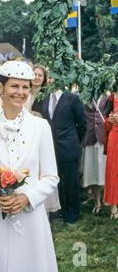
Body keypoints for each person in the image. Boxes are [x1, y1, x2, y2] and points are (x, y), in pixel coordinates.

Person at [0, 60, 59, 272]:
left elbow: (51, 176)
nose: (21, 92)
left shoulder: (41, 127)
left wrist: (28, 198)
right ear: (1, 88)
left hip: (30, 216)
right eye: (14, 86)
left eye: (25, 87)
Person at [41, 77, 86, 224]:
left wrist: (74, 141)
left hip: (68, 147)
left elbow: (82, 124)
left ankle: (72, 214)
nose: (51, 81)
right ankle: (60, 210)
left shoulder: (72, 98)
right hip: (50, 148)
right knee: (56, 181)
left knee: (71, 181)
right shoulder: (45, 98)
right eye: (49, 78)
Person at [25, 65, 60, 215]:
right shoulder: (25, 92)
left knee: (43, 167)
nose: (37, 77)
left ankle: (46, 207)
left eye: (40, 75)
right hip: (25, 133)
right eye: (35, 74)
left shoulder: (47, 94)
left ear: (44, 78)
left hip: (41, 133)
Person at [80, 95, 107, 214]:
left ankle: (110, 200)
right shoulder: (84, 96)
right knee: (93, 172)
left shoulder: (108, 97)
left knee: (106, 171)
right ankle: (97, 202)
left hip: (104, 139)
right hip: (89, 138)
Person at [103, 92, 118, 219]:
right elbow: (105, 117)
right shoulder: (112, 97)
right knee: (113, 170)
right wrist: (110, 120)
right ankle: (113, 205)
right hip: (115, 137)